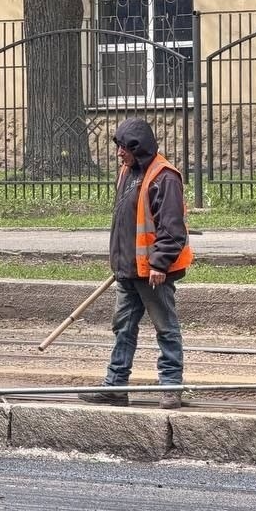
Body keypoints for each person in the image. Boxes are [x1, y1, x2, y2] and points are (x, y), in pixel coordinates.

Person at [82, 117, 192, 410]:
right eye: (118, 146)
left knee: (165, 328)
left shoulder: (164, 177)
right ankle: (115, 386)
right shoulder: (127, 173)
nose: (119, 153)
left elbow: (172, 228)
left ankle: (172, 387)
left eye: (124, 148)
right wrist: (120, 264)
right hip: (128, 270)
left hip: (152, 273)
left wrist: (159, 264)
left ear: (138, 148)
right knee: (124, 328)